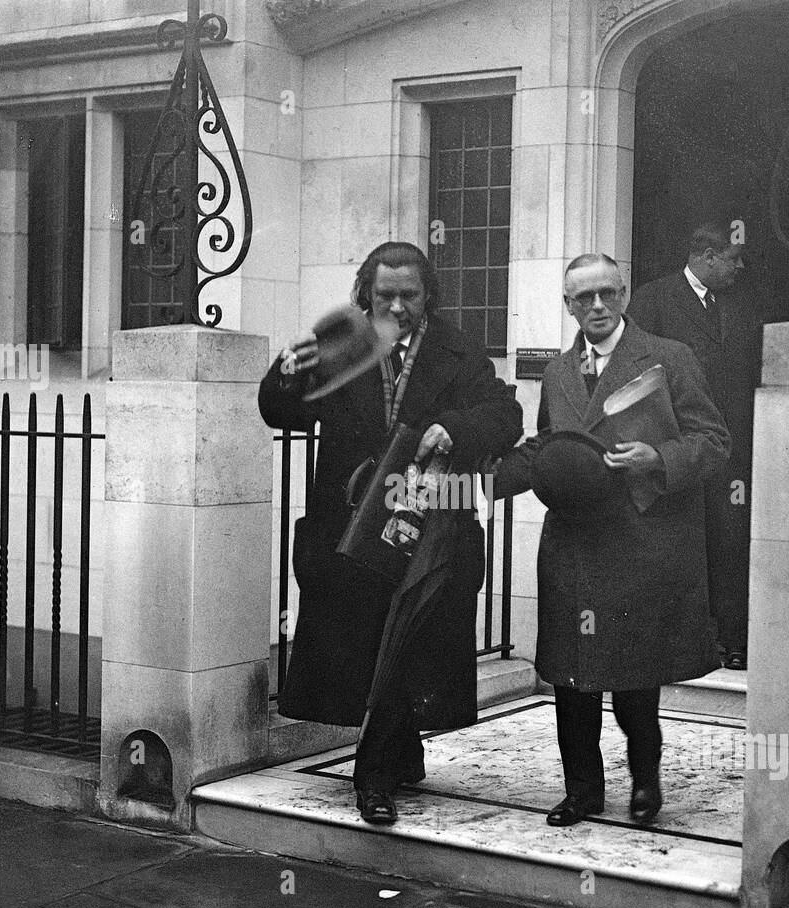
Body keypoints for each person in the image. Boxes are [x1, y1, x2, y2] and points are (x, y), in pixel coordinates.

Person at [259, 241, 522, 825]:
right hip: (350, 526)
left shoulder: (457, 351)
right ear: (365, 294)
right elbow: (282, 412)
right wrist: (284, 373)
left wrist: (450, 428)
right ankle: (399, 751)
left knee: (407, 635)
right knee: (370, 642)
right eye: (385, 295)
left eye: (410, 295)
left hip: (426, 525)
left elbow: (507, 417)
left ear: (428, 296)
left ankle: (372, 774)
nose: (398, 306)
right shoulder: (339, 349)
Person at [497, 255, 729, 827]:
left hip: (640, 542)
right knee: (571, 678)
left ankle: (645, 783)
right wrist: (490, 476)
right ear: (568, 305)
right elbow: (555, 443)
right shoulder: (555, 373)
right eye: (582, 298)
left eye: (605, 294)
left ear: (624, 294)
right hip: (574, 543)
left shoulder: (671, 358)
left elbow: (715, 441)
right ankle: (582, 792)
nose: (595, 306)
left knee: (634, 677)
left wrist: (660, 457)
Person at [626, 223, 763, 670]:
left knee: (731, 541)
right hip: (676, 448)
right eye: (734, 258)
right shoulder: (653, 299)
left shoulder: (741, 305)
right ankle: (683, 642)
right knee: (680, 542)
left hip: (731, 451)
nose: (741, 267)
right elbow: (633, 373)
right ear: (707, 257)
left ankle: (732, 638)